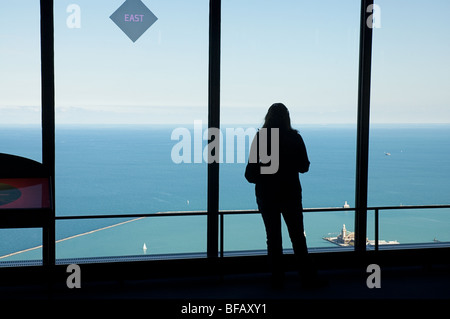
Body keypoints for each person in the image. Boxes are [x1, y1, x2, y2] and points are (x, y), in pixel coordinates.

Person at [245, 103, 323, 289]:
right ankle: (307, 278)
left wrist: (266, 175)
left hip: (267, 194)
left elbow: (250, 174)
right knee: (297, 236)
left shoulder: (261, 139)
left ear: (268, 118)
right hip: (290, 193)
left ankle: (277, 279)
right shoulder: (294, 138)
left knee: (273, 237)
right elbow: (304, 167)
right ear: (287, 118)